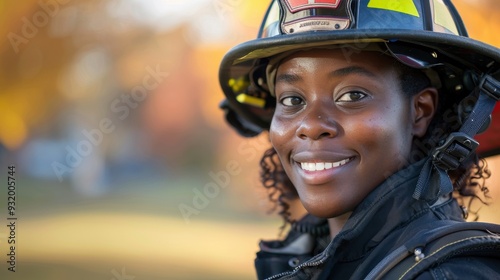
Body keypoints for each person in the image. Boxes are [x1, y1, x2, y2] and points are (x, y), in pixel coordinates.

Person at [218, 0, 500, 279]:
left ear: (420, 112)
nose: (311, 125)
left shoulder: (449, 274)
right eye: (292, 99)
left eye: (352, 95)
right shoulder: (305, 259)